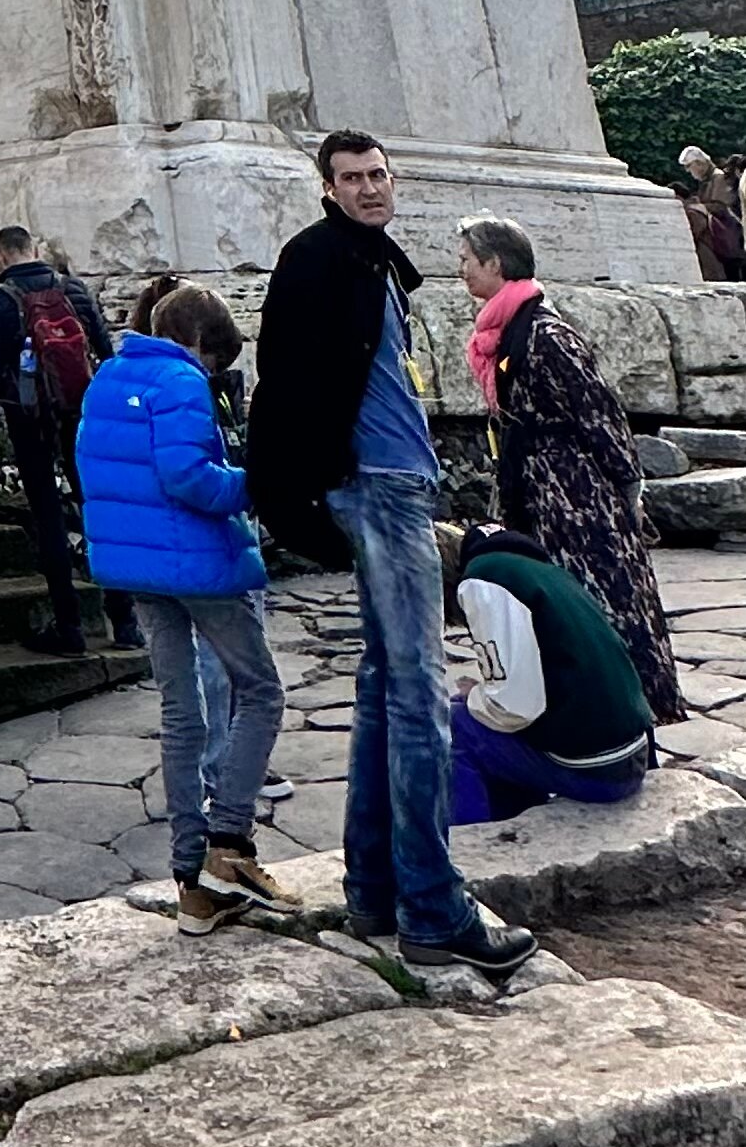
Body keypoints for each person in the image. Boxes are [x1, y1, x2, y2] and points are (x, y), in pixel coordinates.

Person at [245, 129, 534, 982]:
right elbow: (284, 383)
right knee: (418, 694)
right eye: (353, 178)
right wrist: (301, 494)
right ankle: (434, 909)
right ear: (327, 188)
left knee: (383, 683)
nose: (371, 188)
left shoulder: (368, 260)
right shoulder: (323, 260)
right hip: (379, 485)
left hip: (386, 479)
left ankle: (374, 886)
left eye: (378, 174)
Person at [73, 283, 288, 933]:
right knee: (260, 693)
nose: (212, 373)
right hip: (197, 562)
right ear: (199, 341)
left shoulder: (106, 377)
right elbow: (188, 477)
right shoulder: (180, 380)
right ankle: (231, 845)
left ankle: (192, 884)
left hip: (135, 568)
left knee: (180, 712)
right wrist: (260, 485)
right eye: (214, 360)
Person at [459, 219, 685, 723]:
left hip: (577, 499)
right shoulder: (504, 335)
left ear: (496, 265)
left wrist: (627, 487)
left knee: (600, 604)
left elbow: (600, 414)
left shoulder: (547, 335)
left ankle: (628, 718)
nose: (461, 270)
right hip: (536, 491)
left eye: (468, 260)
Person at [440, 520, 655, 822]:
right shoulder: (539, 570)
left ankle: (471, 844)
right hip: (630, 754)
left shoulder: (484, 581)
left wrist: (475, 696)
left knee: (450, 724)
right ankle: (513, 815)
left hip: (596, 772)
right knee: (472, 713)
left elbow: (513, 708)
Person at [0, 223, 120, 656]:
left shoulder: (1, 300)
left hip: (30, 420)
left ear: (2, 255)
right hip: (81, 413)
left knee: (49, 518)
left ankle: (70, 627)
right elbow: (106, 354)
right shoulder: (73, 289)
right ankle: (125, 618)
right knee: (95, 507)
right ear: (34, 248)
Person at [675, 145, 745, 284]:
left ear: (700, 163)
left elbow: (722, 206)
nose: (688, 170)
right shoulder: (706, 182)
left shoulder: (719, 178)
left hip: (726, 234)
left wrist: (699, 206)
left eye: (689, 166)